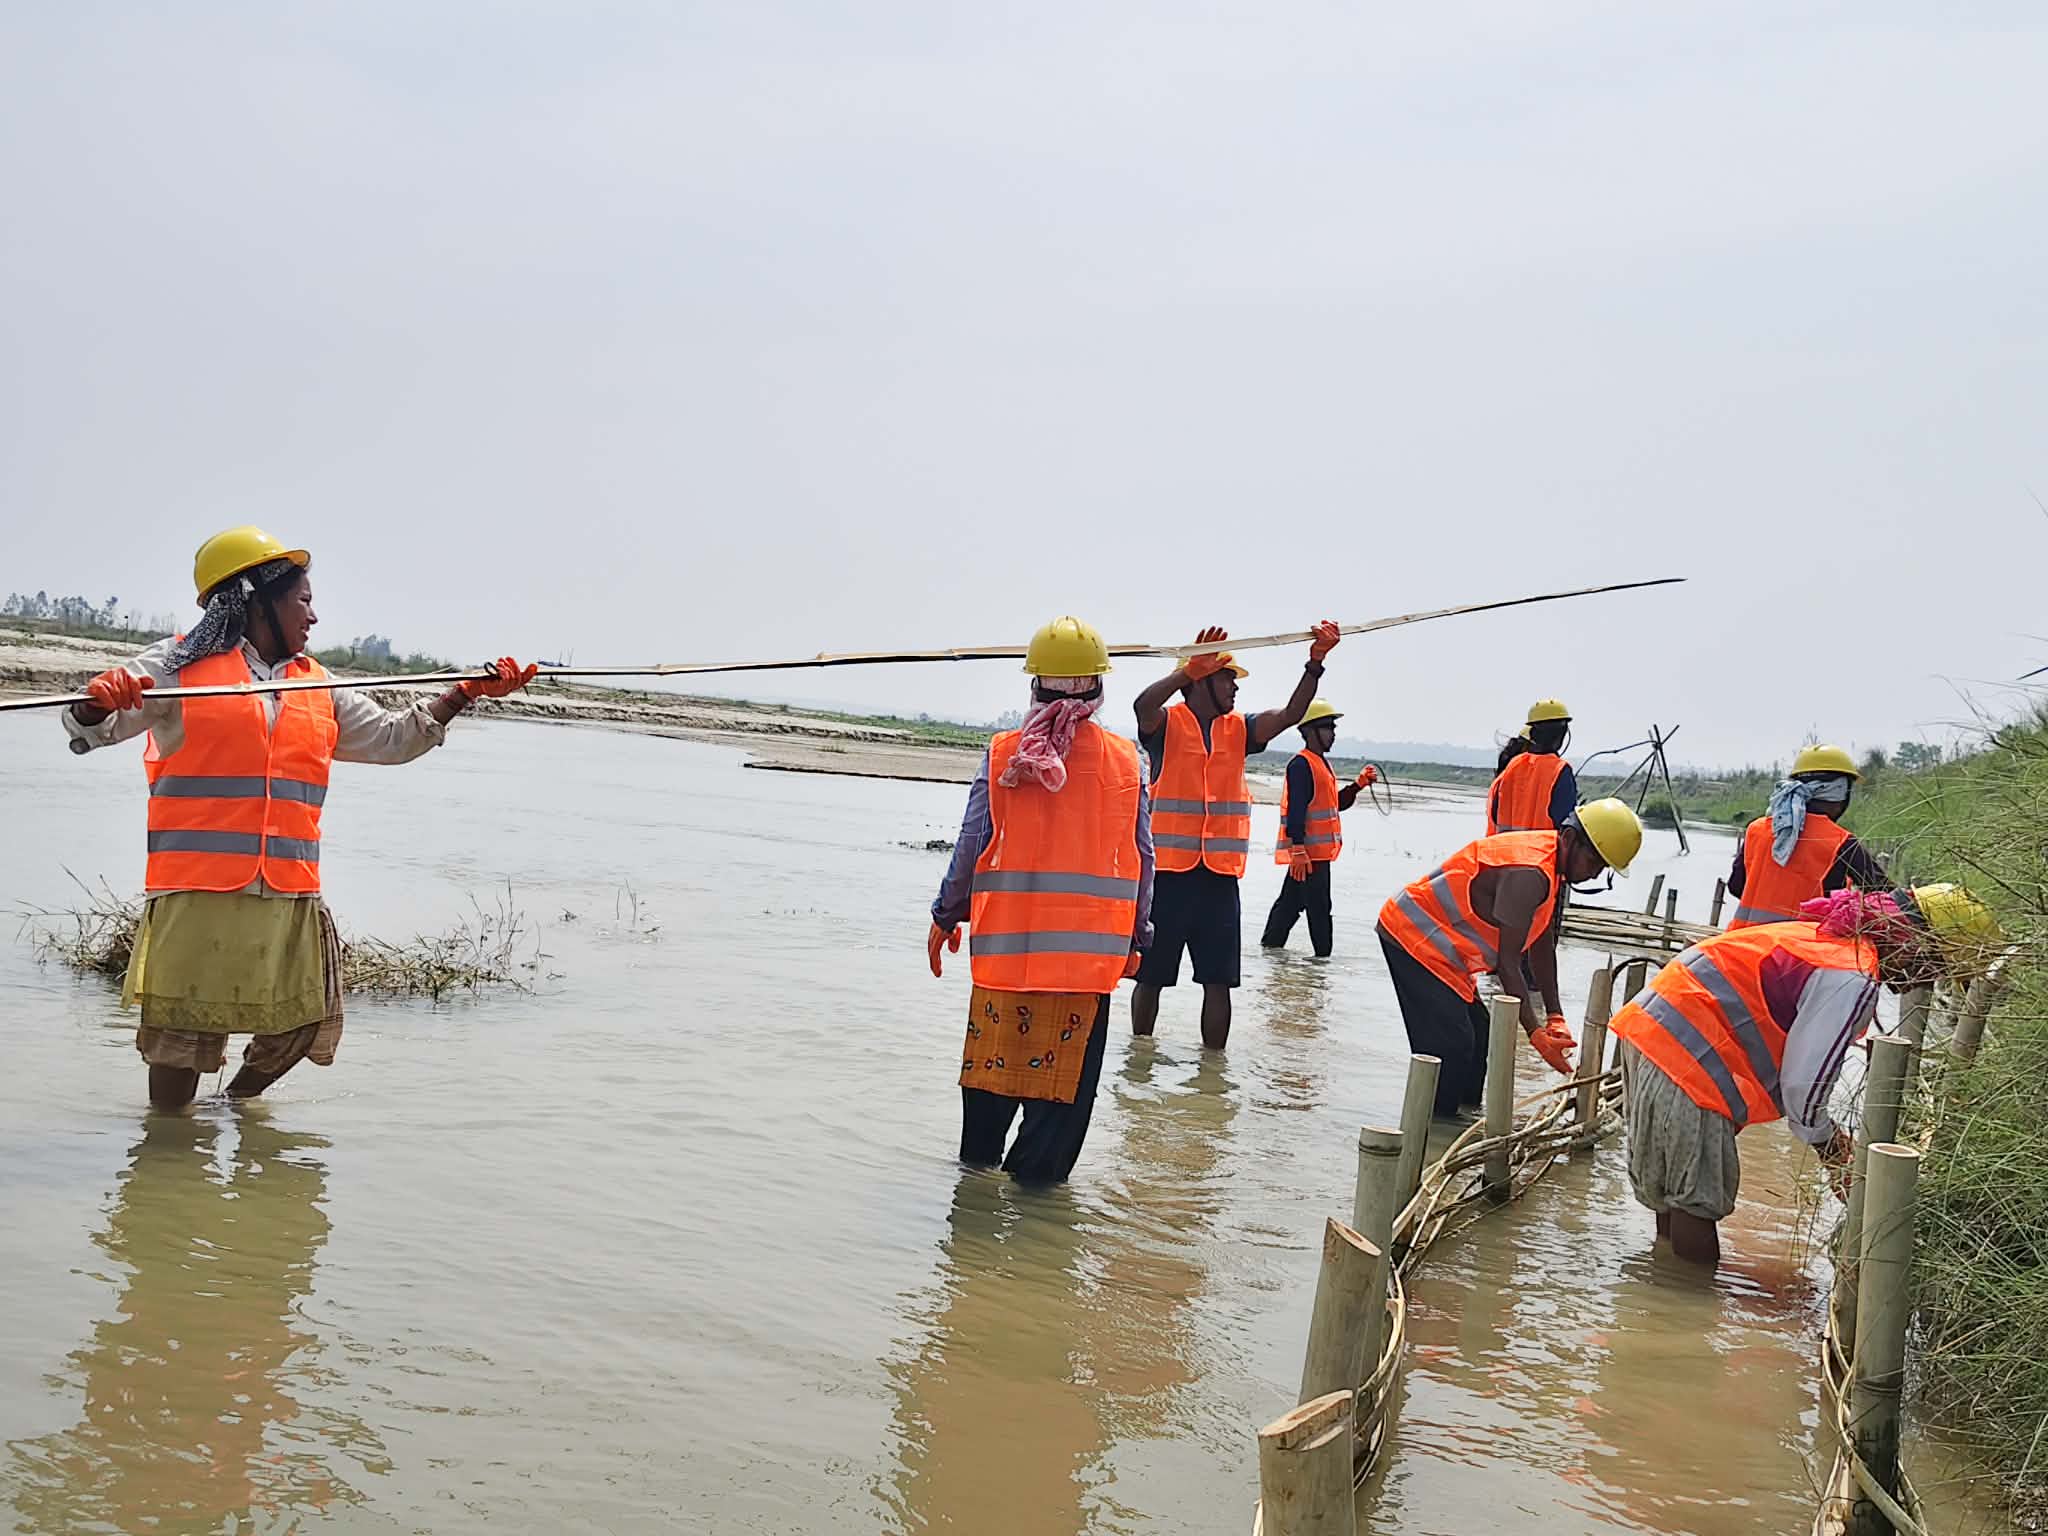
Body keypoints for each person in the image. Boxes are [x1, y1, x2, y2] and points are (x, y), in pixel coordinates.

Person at [63, 526, 536, 1110]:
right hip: (197, 886)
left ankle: (231, 1105)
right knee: (181, 1042)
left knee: (306, 1022)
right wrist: (95, 700)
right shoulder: (175, 667)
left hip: (289, 888)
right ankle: (168, 1147)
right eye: (303, 600)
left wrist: (463, 693)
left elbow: (392, 739)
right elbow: (91, 727)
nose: (313, 616)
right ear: (254, 598)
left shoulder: (316, 684)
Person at [1611, 883, 2000, 1266]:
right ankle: (1694, 1315)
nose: (1923, 983)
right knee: (1697, 1201)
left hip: (1650, 1028)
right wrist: (1833, 1150)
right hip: (1688, 1051)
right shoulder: (1853, 975)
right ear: (1918, 945)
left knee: (1671, 1196)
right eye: (1934, 969)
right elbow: (1804, 1090)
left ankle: (1662, 1295)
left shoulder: (1833, 941)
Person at [926, 616, 1154, 1184]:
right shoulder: (1128, 763)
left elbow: (972, 843)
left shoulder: (1005, 755)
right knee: (1051, 1145)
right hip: (1084, 972)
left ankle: (972, 1242)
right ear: (1099, 692)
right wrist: (1137, 941)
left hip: (1006, 966)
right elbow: (1144, 862)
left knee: (980, 1145)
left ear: (1034, 686)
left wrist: (944, 915)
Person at [1129, 620, 1342, 1049]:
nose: (1235, 688)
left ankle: (1213, 1069)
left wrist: (1315, 663)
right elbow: (1142, 706)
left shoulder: (1240, 729)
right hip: (1168, 876)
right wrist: (1185, 672)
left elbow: (1291, 715)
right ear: (1203, 681)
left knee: (1219, 982)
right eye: (1228, 679)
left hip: (1219, 878)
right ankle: (1140, 1057)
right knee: (1151, 977)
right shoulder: (1167, 725)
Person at [1376, 799, 1644, 1116]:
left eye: (1601, 868)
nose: (1593, 874)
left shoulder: (1552, 866)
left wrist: (1555, 1015)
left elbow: (1541, 944)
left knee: (1477, 1040)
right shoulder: (1530, 873)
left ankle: (1461, 1119)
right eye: (1593, 862)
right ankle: (1435, 1131)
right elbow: (1508, 965)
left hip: (1446, 954)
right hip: (1412, 936)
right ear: (1570, 839)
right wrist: (1535, 1034)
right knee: (1451, 1047)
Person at [1259, 699, 1377, 957]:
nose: (1332, 734)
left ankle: (1270, 952)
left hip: (1316, 854)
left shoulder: (1321, 764)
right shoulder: (1301, 765)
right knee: (1318, 909)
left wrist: (1358, 785)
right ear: (1310, 731)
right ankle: (1321, 965)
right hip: (1308, 855)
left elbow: (1334, 805)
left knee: (1291, 905)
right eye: (1327, 728)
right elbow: (1296, 810)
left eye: (1333, 729)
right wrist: (1298, 848)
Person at [1725, 744, 1886, 928]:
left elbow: (1736, 887)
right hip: (1799, 952)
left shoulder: (1757, 829)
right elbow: (1885, 896)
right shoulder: (1841, 842)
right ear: (1841, 794)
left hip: (1739, 944)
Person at [1487, 698, 1578, 834]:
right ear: (1564, 733)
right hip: (1541, 854)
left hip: (1505, 851)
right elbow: (1566, 826)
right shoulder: (1560, 770)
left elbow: (1494, 812)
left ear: (1532, 732)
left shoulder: (1512, 765)